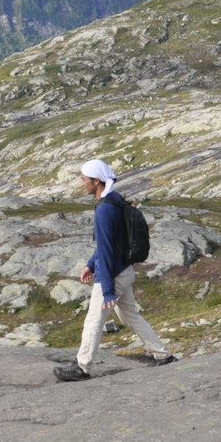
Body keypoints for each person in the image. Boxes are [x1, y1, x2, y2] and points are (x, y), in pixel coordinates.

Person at [55, 159, 176, 382]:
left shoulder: (104, 210)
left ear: (96, 181)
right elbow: (109, 244)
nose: (81, 184)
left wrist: (108, 289)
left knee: (93, 321)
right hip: (124, 271)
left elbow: (107, 249)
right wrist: (90, 264)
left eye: (83, 180)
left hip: (112, 276)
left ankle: (82, 367)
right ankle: (162, 354)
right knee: (130, 315)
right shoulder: (115, 201)